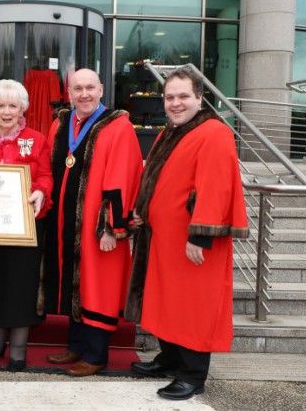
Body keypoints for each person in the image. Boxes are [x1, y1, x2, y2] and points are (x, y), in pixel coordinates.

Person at [125, 66, 249, 400]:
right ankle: (170, 359)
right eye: (170, 97)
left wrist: (201, 235)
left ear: (199, 98)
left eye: (183, 96)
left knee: (193, 306)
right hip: (164, 239)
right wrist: (142, 207)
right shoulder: (174, 130)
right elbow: (155, 174)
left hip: (191, 242)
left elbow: (217, 187)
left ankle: (193, 376)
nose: (175, 103)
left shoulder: (213, 132)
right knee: (168, 302)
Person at [43, 68, 143, 376]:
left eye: (89, 87)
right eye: (77, 89)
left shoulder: (118, 126)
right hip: (64, 223)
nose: (84, 94)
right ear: (69, 93)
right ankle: (76, 345)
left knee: (98, 285)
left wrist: (112, 226)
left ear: (101, 89)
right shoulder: (61, 124)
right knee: (75, 283)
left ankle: (96, 354)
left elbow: (122, 179)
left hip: (97, 227)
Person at [0, 79, 52, 372]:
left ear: (22, 108)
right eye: (0, 105)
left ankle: (18, 348)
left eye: (12, 106)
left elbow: (45, 176)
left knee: (21, 285)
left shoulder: (36, 139)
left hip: (25, 226)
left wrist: (41, 191)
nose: (6, 111)